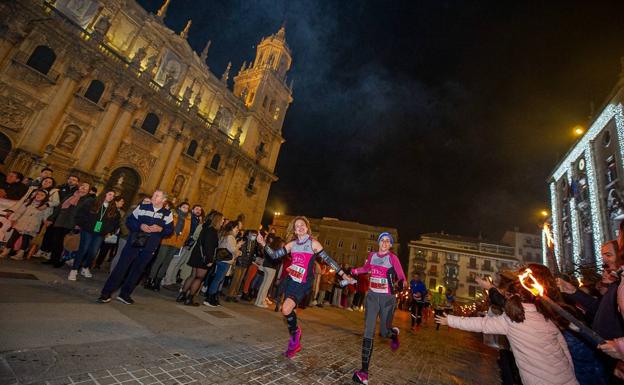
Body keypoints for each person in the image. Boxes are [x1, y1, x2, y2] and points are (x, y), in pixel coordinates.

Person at [436, 267, 579, 385]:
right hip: (568, 380)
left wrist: (449, 320)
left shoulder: (512, 320)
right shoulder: (545, 316)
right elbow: (563, 348)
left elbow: (481, 324)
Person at [256, 216, 352, 359]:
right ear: (294, 230)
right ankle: (295, 335)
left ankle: (295, 336)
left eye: (302, 225)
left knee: (286, 308)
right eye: (297, 226)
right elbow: (275, 255)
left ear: (307, 228)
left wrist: (343, 274)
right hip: (292, 280)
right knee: (286, 310)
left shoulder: (313, 243)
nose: (299, 227)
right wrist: (264, 244)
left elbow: (328, 260)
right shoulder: (292, 244)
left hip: (304, 282)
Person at [97, 190, 173, 304]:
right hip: (134, 243)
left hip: (149, 247)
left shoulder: (167, 214)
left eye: (156, 196)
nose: (153, 197)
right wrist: (140, 226)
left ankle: (125, 294)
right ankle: (106, 293)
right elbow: (129, 221)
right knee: (121, 267)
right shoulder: (142, 207)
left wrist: (161, 229)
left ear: (163, 200)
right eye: (153, 195)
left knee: (137, 271)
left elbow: (169, 230)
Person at [350, 232, 406, 385]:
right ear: (379, 242)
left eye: (388, 241)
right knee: (368, 330)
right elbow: (366, 268)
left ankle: (392, 333)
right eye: (383, 240)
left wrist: (401, 284)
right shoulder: (372, 255)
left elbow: (402, 276)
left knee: (383, 332)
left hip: (387, 299)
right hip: (373, 297)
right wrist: (354, 271)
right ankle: (364, 372)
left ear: (390, 245)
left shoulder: (393, 258)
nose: (385, 243)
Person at [68, 190, 120, 281]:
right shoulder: (91, 202)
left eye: (113, 196)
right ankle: (74, 270)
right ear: (104, 194)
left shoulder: (113, 208)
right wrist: (83, 224)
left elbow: (115, 221)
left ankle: (85, 267)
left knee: (93, 251)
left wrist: (107, 230)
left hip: (100, 233)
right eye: (109, 194)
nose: (111, 197)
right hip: (88, 230)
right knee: (83, 249)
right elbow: (81, 213)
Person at [178, 211, 223, 306]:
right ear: (217, 220)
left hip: (197, 254)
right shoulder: (212, 231)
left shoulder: (205, 228)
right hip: (204, 257)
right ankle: (189, 298)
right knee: (199, 278)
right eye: (222, 219)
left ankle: (182, 295)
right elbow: (208, 247)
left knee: (192, 275)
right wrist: (209, 260)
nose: (223, 221)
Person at [43, 182, 92, 268]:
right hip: (60, 220)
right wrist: (51, 218)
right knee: (55, 241)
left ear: (88, 190)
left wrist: (79, 224)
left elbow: (86, 213)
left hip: (72, 222)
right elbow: (59, 207)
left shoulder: (88, 200)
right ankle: (53, 258)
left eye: (86, 187)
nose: (83, 188)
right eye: (82, 186)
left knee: (65, 242)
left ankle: (61, 260)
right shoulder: (70, 195)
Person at [145, 202, 191, 291]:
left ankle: (157, 281)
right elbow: (165, 226)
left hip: (176, 243)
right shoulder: (172, 215)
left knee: (167, 262)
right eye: (184, 207)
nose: (185, 209)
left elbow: (186, 233)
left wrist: (181, 243)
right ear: (179, 207)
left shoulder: (188, 220)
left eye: (187, 208)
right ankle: (150, 280)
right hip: (167, 240)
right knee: (160, 260)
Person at [0, 190, 51, 260]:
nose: (39, 196)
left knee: (25, 240)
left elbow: (46, 217)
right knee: (13, 238)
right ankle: (5, 252)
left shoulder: (45, 207)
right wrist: (15, 219)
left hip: (32, 226)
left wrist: (47, 222)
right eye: (38, 194)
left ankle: (20, 255)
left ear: (46, 197)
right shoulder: (28, 203)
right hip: (20, 223)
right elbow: (19, 212)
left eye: (42, 195)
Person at [162, 204, 204, 288]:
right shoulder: (190, 218)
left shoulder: (196, 220)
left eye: (200, 209)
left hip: (188, 243)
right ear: (192, 210)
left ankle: (172, 280)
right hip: (183, 242)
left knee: (180, 262)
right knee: (175, 261)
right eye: (196, 209)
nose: (198, 211)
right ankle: (166, 280)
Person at [204, 220, 242, 307]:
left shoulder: (225, 235)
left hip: (221, 260)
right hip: (225, 261)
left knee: (218, 279)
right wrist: (239, 250)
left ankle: (212, 297)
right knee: (218, 280)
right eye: (237, 228)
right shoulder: (230, 237)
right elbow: (232, 249)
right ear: (232, 228)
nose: (238, 230)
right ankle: (209, 298)